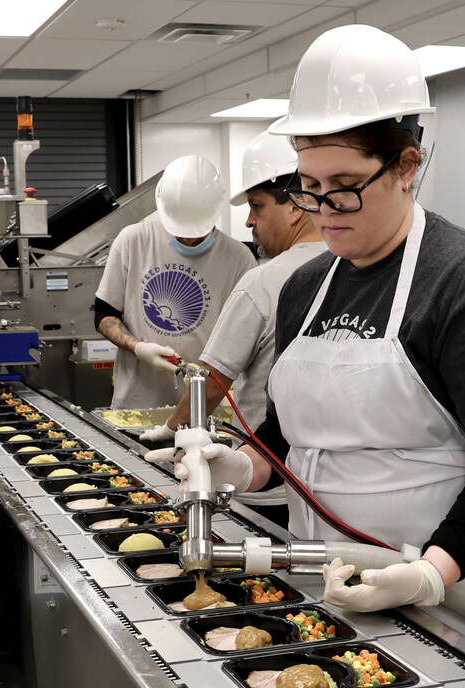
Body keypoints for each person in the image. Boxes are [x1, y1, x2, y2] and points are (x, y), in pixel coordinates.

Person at [148, 25, 465, 629]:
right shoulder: (306, 288)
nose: (324, 212)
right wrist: (243, 465)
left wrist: (430, 574)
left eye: (344, 189)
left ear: (406, 167)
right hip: (318, 575)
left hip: (438, 588)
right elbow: (289, 434)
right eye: (309, 190)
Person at [140, 132, 328, 527]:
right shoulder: (350, 269)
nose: (249, 221)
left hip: (266, 481)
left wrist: (170, 430)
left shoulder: (263, 280)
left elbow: (211, 384)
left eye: (257, 206)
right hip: (330, 491)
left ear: (295, 207)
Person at [95, 154, 256, 409]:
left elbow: (245, 339)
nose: (189, 240)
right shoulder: (133, 241)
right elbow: (104, 314)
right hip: (138, 405)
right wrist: (138, 348)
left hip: (208, 410)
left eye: (196, 232)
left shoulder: (238, 259)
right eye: (179, 231)